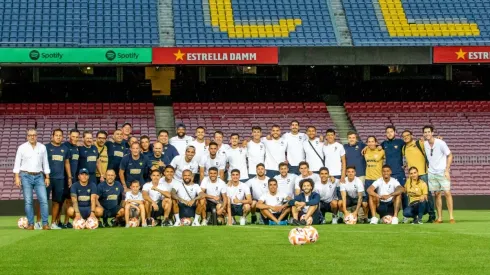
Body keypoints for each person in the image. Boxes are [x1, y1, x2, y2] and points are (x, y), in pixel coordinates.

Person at [13, 129, 51, 230]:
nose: (32, 137)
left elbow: (45, 163)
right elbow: (17, 163)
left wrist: (47, 176)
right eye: (30, 135)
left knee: (44, 200)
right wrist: (17, 177)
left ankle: (45, 223)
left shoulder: (42, 147)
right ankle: (30, 224)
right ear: (27, 137)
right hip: (25, 175)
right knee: (28, 201)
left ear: (37, 136)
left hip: (39, 176)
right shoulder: (21, 148)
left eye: (34, 135)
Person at [39, 129, 71, 229]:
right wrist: (42, 175)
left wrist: (69, 177)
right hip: (47, 178)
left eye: (60, 135)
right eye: (56, 135)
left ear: (62, 137)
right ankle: (39, 222)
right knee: (43, 201)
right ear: (52, 136)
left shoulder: (65, 148)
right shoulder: (45, 147)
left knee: (57, 201)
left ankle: (53, 223)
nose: (58, 137)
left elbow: (66, 163)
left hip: (60, 179)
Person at [401, 129, 436, 222]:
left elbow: (431, 145)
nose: (406, 137)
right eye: (404, 136)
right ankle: (415, 216)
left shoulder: (419, 143)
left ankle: (432, 215)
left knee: (428, 196)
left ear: (412, 135)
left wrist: (436, 139)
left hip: (423, 174)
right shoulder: (404, 148)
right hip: (412, 175)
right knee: (410, 195)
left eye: (407, 135)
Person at [423, 125, 454, 223]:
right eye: (425, 132)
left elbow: (450, 155)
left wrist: (447, 170)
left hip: (442, 172)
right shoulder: (424, 144)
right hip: (431, 172)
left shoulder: (441, 143)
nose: (427, 134)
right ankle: (439, 217)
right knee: (437, 194)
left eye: (428, 132)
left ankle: (451, 217)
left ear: (432, 133)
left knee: (447, 193)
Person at [60, 128, 80, 229]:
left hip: (74, 178)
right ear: (69, 136)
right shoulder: (65, 146)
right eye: (73, 136)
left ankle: (66, 221)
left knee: (70, 200)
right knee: (61, 200)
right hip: (64, 178)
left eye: (77, 137)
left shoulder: (77, 148)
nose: (75, 139)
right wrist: (68, 177)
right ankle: (58, 221)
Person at [381, 126, 406, 203]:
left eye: (391, 131)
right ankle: (393, 214)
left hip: (399, 172)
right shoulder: (383, 144)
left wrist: (406, 163)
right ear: (386, 134)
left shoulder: (400, 142)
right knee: (391, 194)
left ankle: (405, 214)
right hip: (389, 174)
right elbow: (374, 148)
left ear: (395, 132)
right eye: (387, 132)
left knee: (403, 192)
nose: (389, 134)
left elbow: (410, 148)